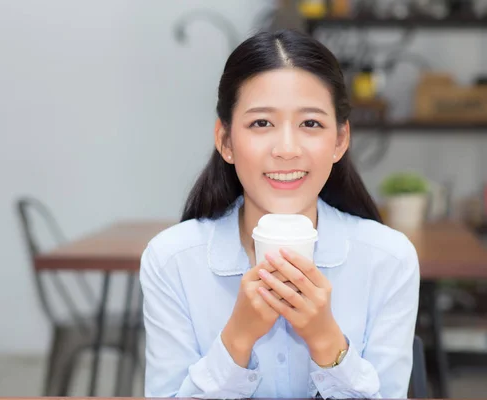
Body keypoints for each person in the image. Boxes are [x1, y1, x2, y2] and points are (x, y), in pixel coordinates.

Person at [139, 29, 420, 399]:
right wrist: (238, 338)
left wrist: (326, 340)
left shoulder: (389, 260)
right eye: (261, 123)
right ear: (225, 141)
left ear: (339, 140)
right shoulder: (171, 260)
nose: (287, 149)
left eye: (310, 124)